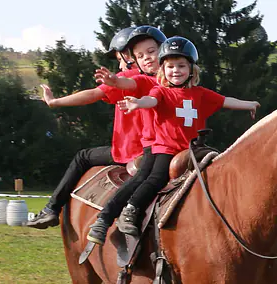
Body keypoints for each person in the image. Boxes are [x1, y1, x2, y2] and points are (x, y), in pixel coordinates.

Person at [86, 36, 261, 244]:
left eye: (181, 66)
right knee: (155, 178)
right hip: (165, 149)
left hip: (192, 149)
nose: (176, 71)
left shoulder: (200, 94)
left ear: (191, 70)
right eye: (170, 66)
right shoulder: (160, 91)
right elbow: (150, 100)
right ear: (163, 69)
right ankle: (129, 210)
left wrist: (249, 104)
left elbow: (225, 101)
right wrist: (138, 103)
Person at [25, 26, 166, 229]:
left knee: (82, 156)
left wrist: (56, 102)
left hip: (130, 150)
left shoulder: (134, 78)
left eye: (119, 59)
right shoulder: (167, 79)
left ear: (128, 56)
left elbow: (92, 94)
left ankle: (51, 210)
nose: (119, 64)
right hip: (161, 147)